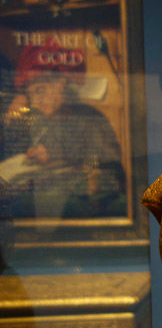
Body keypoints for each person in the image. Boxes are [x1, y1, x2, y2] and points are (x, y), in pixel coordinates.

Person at [1, 41, 126, 218]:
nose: (35, 101)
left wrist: (59, 156)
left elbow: (107, 166)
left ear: (60, 85)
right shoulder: (43, 120)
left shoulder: (89, 117)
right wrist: (37, 154)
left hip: (89, 197)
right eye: (31, 95)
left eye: (40, 91)